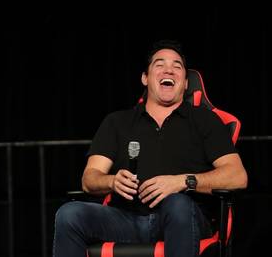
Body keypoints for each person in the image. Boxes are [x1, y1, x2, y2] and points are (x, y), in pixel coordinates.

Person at [52, 40, 248, 257]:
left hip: (183, 217)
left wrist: (182, 181)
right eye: (159, 64)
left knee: (177, 204)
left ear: (184, 83)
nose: (168, 70)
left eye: (177, 66)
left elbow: (237, 176)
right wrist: (112, 181)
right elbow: (89, 179)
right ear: (145, 78)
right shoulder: (118, 122)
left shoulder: (205, 121)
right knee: (69, 214)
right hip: (126, 219)